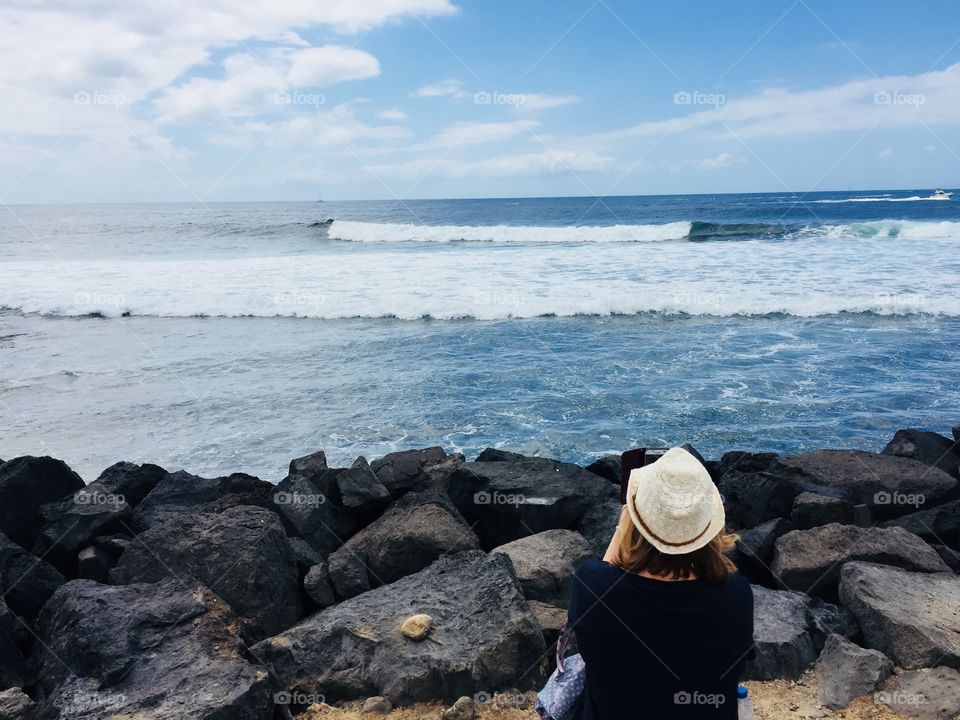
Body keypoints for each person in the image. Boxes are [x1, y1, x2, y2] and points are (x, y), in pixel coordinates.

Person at [568, 446, 754, 719]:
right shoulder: (736, 594)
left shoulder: (592, 586)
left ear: (635, 519)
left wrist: (624, 528)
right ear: (709, 527)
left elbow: (604, 573)